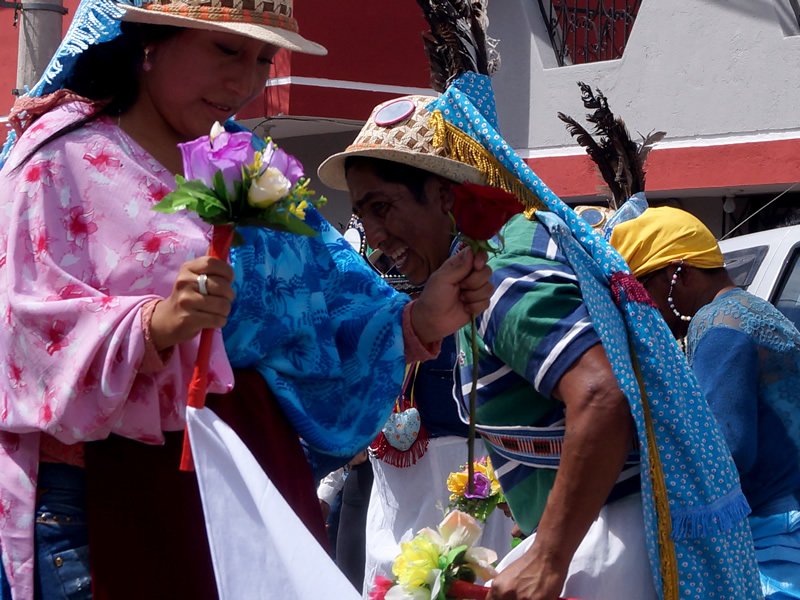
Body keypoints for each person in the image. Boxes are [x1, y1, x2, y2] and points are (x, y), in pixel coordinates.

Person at [0, 1, 493, 598]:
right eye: (227, 49)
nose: (246, 80)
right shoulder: (58, 162)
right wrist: (152, 325)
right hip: (108, 498)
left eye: (264, 58)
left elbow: (330, 296)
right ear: (149, 42)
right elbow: (22, 336)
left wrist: (417, 320)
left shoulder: (245, 165)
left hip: (252, 485)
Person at [318, 84, 764, 599]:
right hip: (603, 537)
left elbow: (601, 396)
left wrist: (549, 556)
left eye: (383, 207)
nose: (372, 235)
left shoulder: (500, 276)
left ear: (444, 194)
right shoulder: (487, 267)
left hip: (604, 552)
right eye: (363, 214)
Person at [610, 206, 800, 600]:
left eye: (645, 292)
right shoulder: (749, 310)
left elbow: (724, 451)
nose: (648, 311)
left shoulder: (718, 325)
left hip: (774, 536)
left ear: (678, 273)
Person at [340, 216, 514, 597]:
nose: (383, 239)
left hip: (472, 473)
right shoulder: (369, 318)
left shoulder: (486, 300)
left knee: (472, 571)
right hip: (397, 491)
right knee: (400, 576)